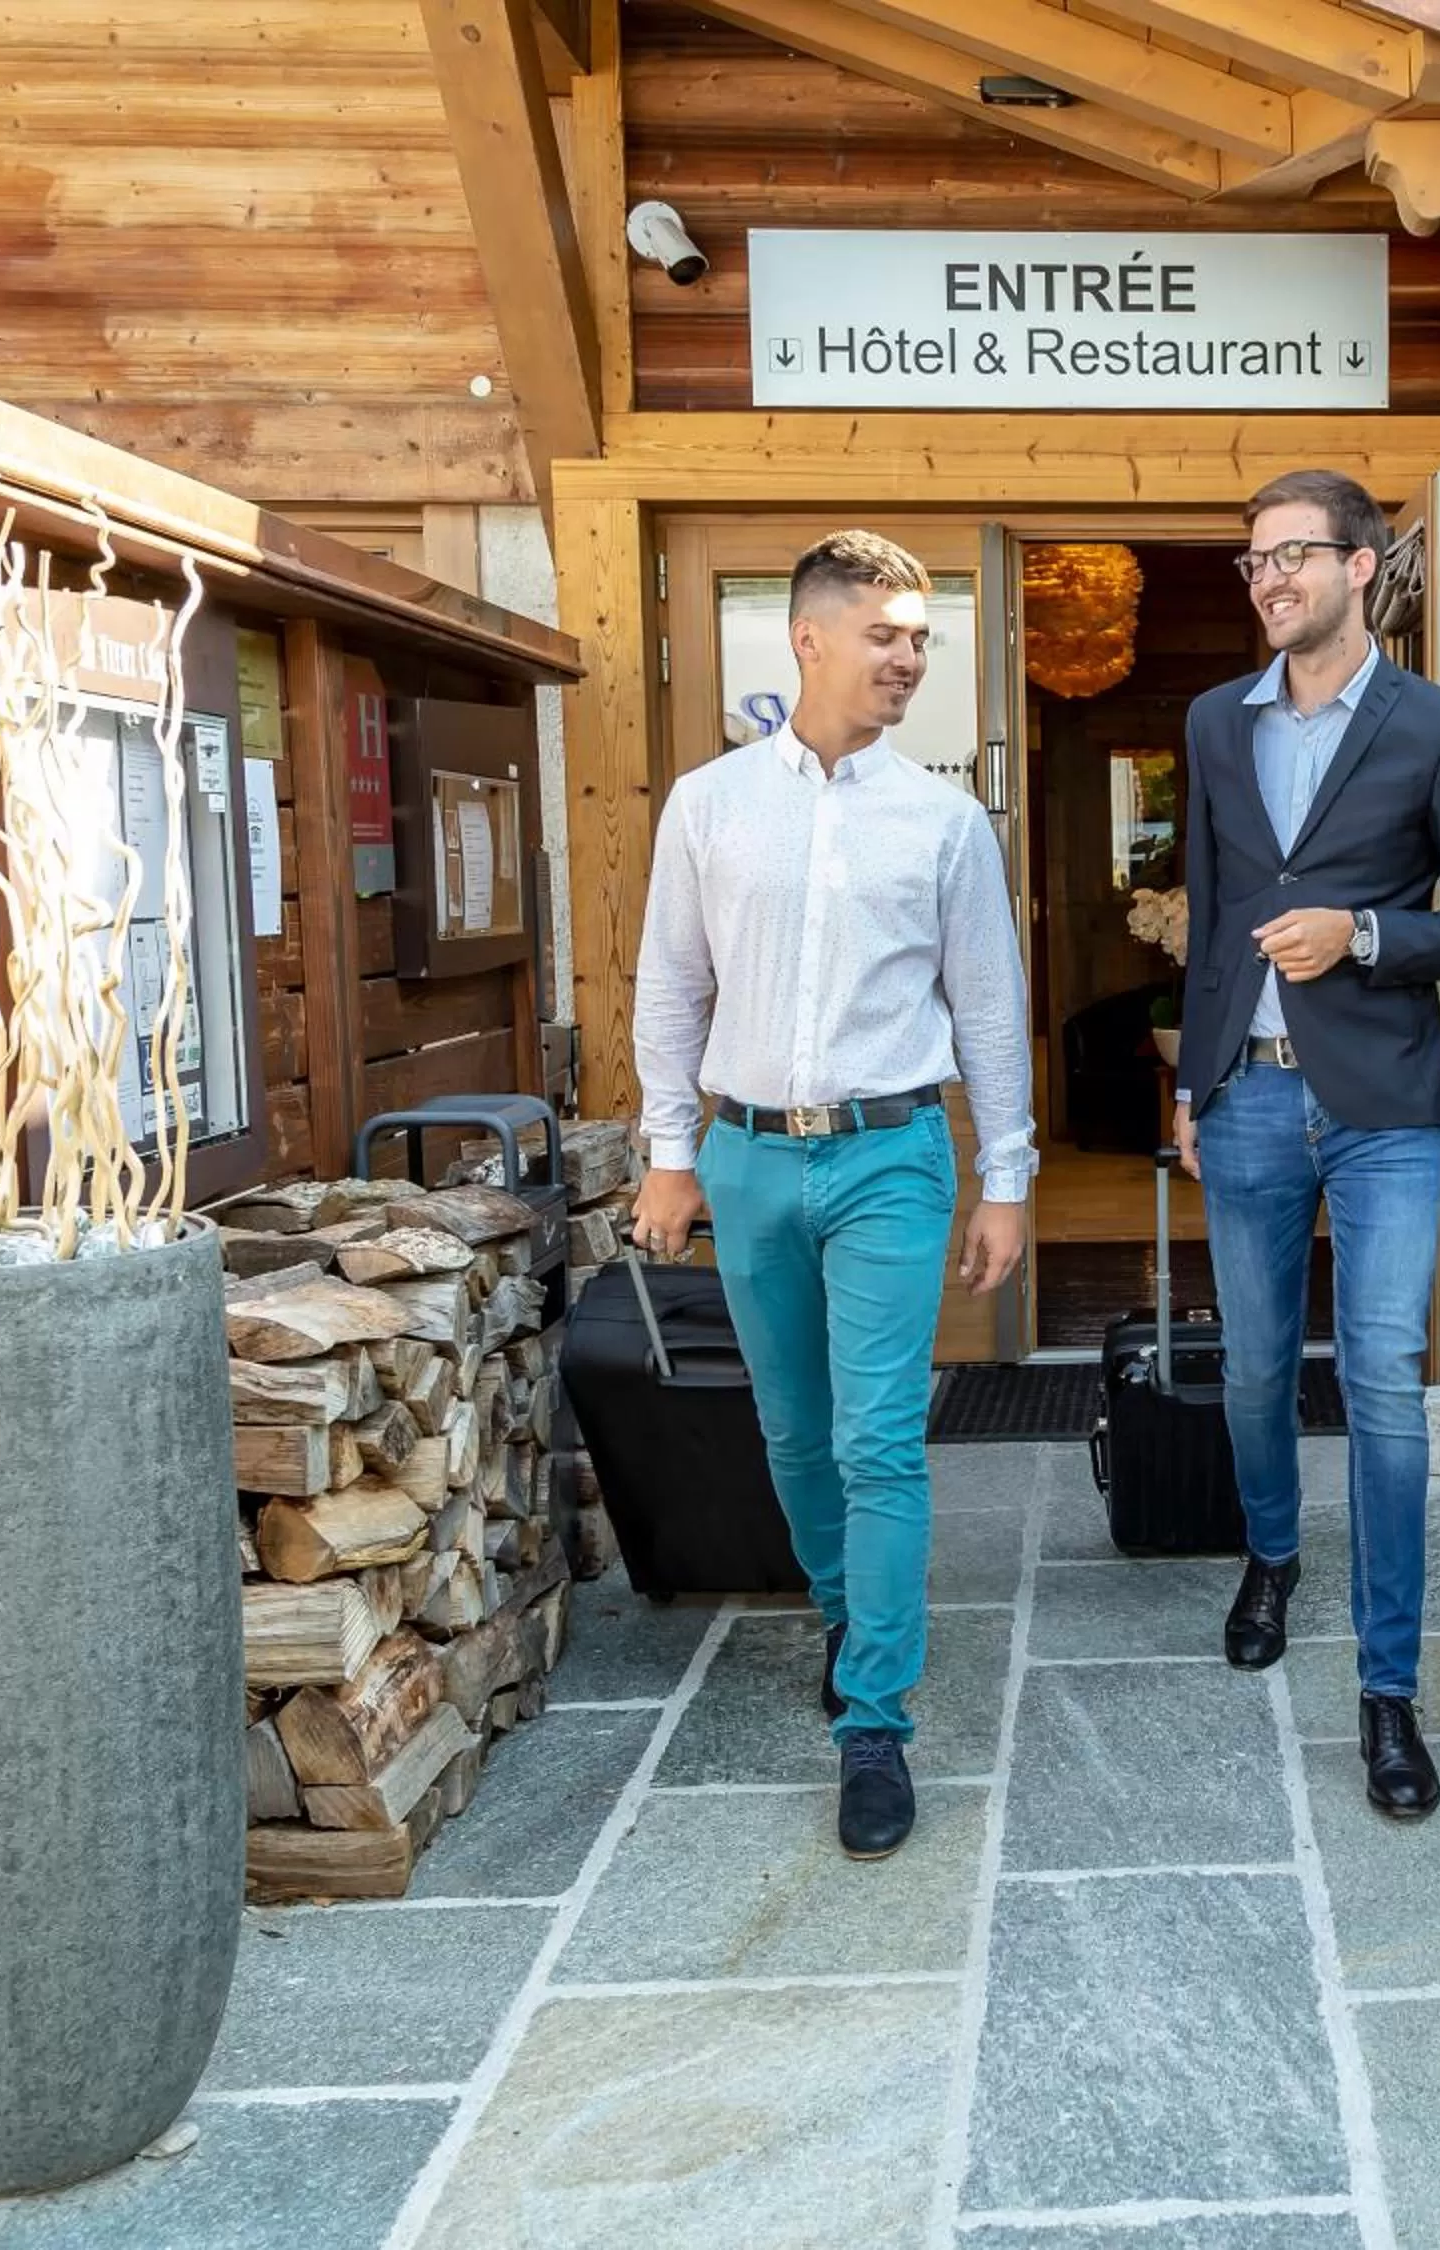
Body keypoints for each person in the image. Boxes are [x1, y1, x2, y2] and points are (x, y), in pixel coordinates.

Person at [626, 528, 1034, 1862]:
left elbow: (987, 1004)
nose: (911, 655)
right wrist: (671, 1149)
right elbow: (673, 987)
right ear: (808, 638)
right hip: (746, 1156)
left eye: (921, 636)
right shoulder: (710, 805)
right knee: (795, 1437)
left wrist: (1006, 1177)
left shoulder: (943, 820)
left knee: (879, 1441)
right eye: (888, 633)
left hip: (891, 1155)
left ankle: (874, 1720)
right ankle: (848, 1612)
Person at [1172, 469, 1440, 1820]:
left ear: (1362, 567)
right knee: (1257, 1366)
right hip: (1247, 1097)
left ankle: (1389, 1690)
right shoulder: (1214, 724)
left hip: (1383, 1105)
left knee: (1379, 1378)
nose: (1269, 579)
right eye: (1253, 560)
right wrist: (1194, 1082)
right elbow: (1211, 919)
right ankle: (1272, 1553)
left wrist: (1368, 935)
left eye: (1294, 557)